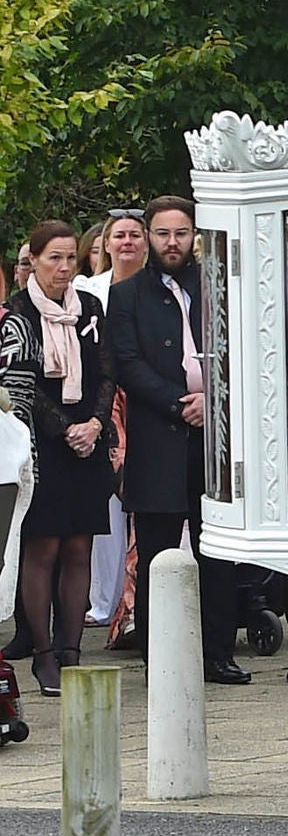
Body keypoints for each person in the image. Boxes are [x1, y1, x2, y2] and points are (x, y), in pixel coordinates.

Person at [109, 197, 245, 686]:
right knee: (156, 552)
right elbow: (126, 362)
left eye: (181, 233)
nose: (172, 242)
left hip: (216, 437)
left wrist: (214, 401)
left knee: (218, 549)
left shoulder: (220, 284)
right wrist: (178, 402)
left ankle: (218, 654)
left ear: (196, 236)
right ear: (148, 235)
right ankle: (158, 657)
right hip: (158, 437)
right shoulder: (127, 296)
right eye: (163, 233)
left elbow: (241, 345)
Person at [0, 223, 115, 697]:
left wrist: (94, 424)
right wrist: (64, 428)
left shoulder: (89, 307)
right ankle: (43, 653)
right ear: (36, 260)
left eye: (71, 258)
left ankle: (72, 650)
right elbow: (19, 385)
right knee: (42, 548)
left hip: (86, 439)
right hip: (40, 444)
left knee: (78, 547)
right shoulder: (18, 314)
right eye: (54, 259)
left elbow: (106, 370)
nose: (64, 268)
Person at [79, 210, 147, 648]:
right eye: (118, 235)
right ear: (104, 243)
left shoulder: (157, 288)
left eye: (133, 235)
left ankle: (139, 605)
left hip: (146, 401)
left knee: (145, 505)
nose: (126, 242)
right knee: (107, 504)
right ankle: (103, 601)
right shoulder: (89, 290)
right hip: (103, 403)